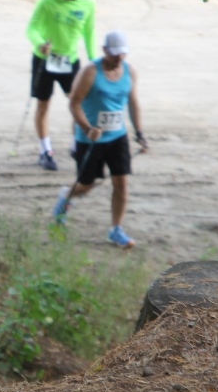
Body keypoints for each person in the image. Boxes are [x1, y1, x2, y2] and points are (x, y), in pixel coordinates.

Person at [52, 31, 148, 248]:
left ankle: (116, 230)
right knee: (86, 185)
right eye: (115, 54)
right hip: (90, 140)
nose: (119, 58)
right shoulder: (90, 72)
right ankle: (66, 197)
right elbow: (74, 103)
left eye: (122, 53)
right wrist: (87, 129)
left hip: (117, 137)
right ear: (105, 50)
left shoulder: (129, 71)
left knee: (121, 184)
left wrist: (140, 134)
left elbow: (133, 103)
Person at [26, 0, 98, 170]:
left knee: (78, 104)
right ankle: (45, 150)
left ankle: (76, 145)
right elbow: (32, 28)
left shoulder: (88, 3)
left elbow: (90, 33)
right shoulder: (47, 0)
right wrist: (40, 43)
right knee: (43, 105)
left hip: (70, 60)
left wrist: (94, 60)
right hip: (45, 59)